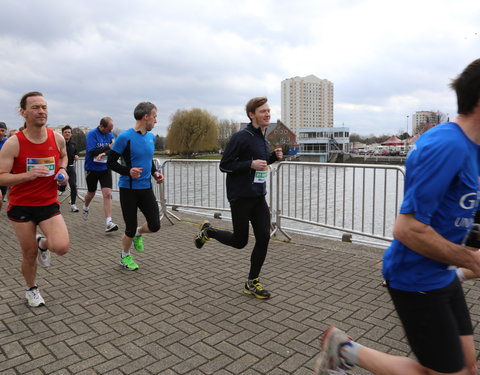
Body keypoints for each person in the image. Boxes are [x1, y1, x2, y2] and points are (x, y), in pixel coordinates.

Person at [315, 59, 480, 375]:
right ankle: (343, 349)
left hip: (443, 273)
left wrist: (469, 244)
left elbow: (459, 209)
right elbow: (408, 229)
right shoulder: (447, 145)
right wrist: (471, 260)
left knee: (469, 367)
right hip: (414, 277)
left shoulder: (473, 147)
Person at [194, 96, 283, 299]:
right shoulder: (241, 137)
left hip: (259, 196)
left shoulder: (263, 137)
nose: (267, 114)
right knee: (239, 241)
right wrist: (249, 165)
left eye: (268, 111)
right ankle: (208, 232)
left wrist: (272, 158)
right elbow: (224, 165)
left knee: (263, 238)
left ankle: (252, 282)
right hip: (240, 197)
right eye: (263, 111)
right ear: (252, 115)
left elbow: (259, 163)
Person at [0, 91, 70, 307]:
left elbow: (64, 156)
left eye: (44, 107)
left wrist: (62, 170)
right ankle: (31, 289)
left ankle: (43, 243)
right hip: (22, 207)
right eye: (35, 107)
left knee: (61, 247)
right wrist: (28, 176)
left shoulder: (56, 137)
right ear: (23, 112)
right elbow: (2, 176)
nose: (41, 111)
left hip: (48, 204)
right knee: (29, 255)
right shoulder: (14, 143)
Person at [107, 102, 164, 270]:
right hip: (129, 189)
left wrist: (155, 173)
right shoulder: (125, 137)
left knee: (155, 225)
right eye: (154, 117)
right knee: (129, 229)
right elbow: (110, 162)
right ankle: (125, 256)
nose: (155, 120)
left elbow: (148, 161)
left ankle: (140, 233)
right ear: (146, 117)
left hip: (146, 188)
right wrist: (128, 171)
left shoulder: (151, 137)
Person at [83, 117, 118, 232]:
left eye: (111, 129)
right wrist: (107, 147)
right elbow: (92, 151)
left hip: (105, 168)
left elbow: (113, 149)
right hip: (92, 168)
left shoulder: (110, 135)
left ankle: (109, 222)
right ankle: (86, 206)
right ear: (102, 127)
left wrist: (105, 152)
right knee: (91, 194)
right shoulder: (92, 134)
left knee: (107, 193)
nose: (110, 132)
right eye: (109, 129)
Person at [58, 125, 80, 212]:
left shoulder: (73, 144)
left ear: (71, 134)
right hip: (61, 168)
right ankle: (55, 202)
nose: (67, 134)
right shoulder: (59, 143)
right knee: (61, 187)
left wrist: (76, 156)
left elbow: (75, 153)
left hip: (70, 167)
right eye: (65, 132)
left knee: (73, 185)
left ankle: (73, 205)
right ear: (62, 134)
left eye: (69, 132)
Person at [0, 122, 8, 210]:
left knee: (1, 199)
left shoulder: (7, 142)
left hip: (4, 173)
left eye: (2, 130)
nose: (0, 132)